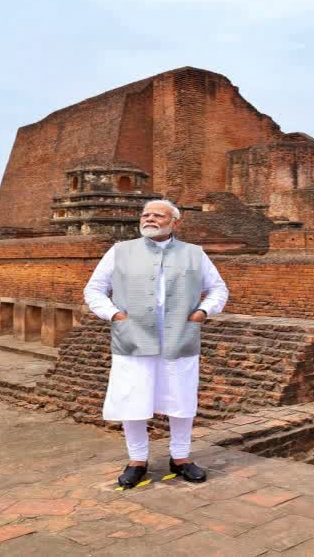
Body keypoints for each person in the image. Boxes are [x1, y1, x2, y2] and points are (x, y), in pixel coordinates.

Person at [83, 199, 228, 489]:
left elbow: (218, 289)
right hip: (133, 337)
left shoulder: (194, 254)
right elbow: (94, 289)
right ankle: (137, 460)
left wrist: (202, 313)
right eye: (146, 214)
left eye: (157, 215)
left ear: (175, 221)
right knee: (133, 399)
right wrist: (115, 314)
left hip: (180, 337)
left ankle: (181, 457)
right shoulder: (120, 251)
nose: (149, 219)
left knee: (181, 399)